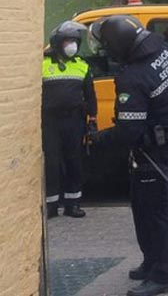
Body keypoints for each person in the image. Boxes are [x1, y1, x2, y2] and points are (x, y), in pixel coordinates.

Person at [88, 15, 168, 296]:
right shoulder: (165, 50)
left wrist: (96, 140)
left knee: (158, 212)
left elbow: (129, 131)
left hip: (152, 150)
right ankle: (151, 262)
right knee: (142, 206)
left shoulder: (133, 77)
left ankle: (163, 276)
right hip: (161, 140)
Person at [42, 21, 97, 219]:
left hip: (74, 121)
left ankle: (73, 203)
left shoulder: (82, 65)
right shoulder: (43, 64)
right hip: (50, 122)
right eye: (67, 41)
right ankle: (51, 205)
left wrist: (93, 118)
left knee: (74, 161)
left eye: (74, 41)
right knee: (52, 163)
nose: (71, 45)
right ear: (57, 43)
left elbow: (90, 95)